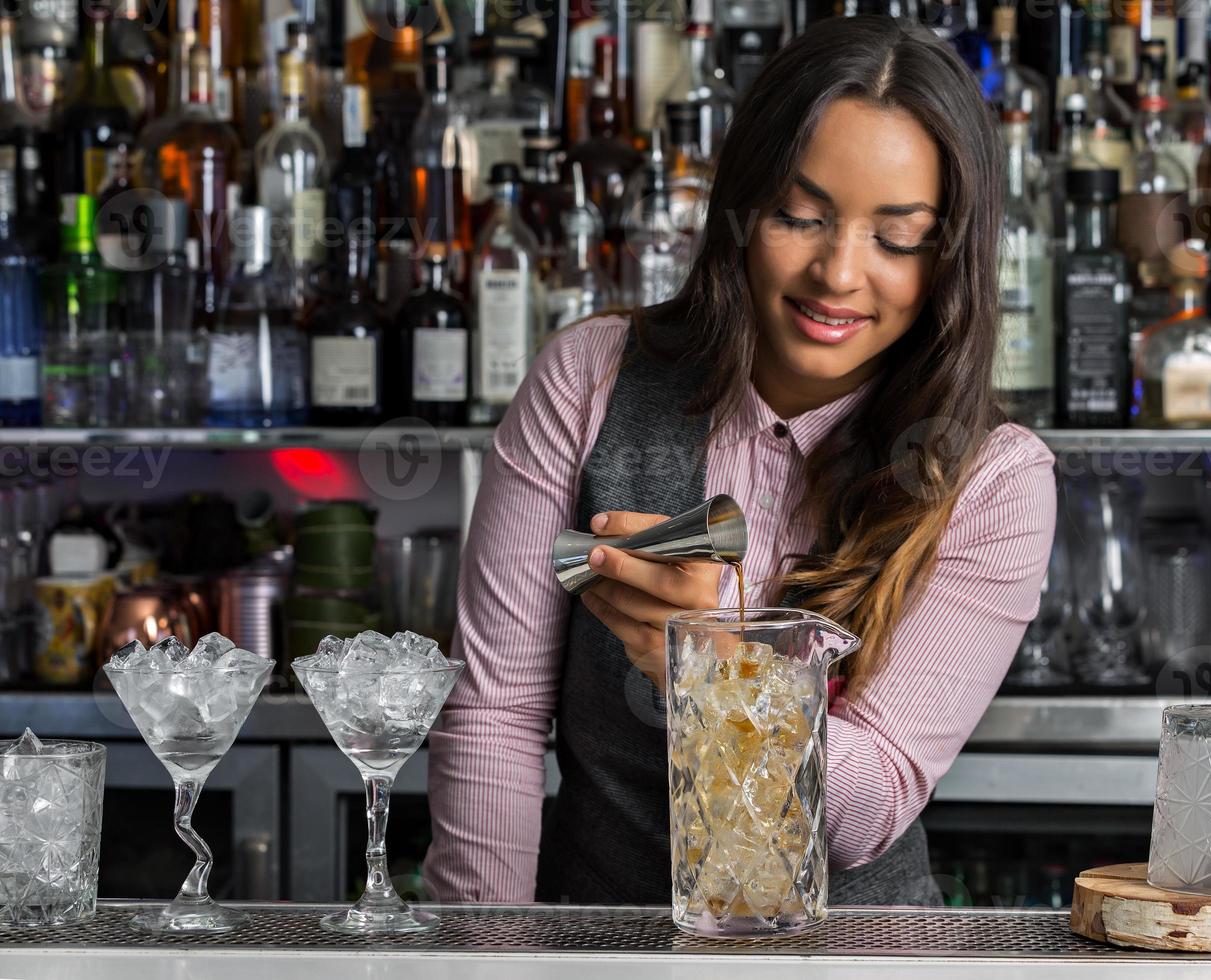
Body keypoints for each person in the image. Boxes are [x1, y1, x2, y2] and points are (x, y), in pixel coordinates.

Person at [425, 14, 1056, 906]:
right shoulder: (590, 379)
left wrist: (715, 665)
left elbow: (866, 808)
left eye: (897, 236)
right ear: (741, 208)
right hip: (603, 954)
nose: (839, 272)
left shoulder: (995, 479)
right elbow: (495, 717)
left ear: (951, 252)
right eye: (801, 215)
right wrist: (483, 965)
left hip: (852, 965)